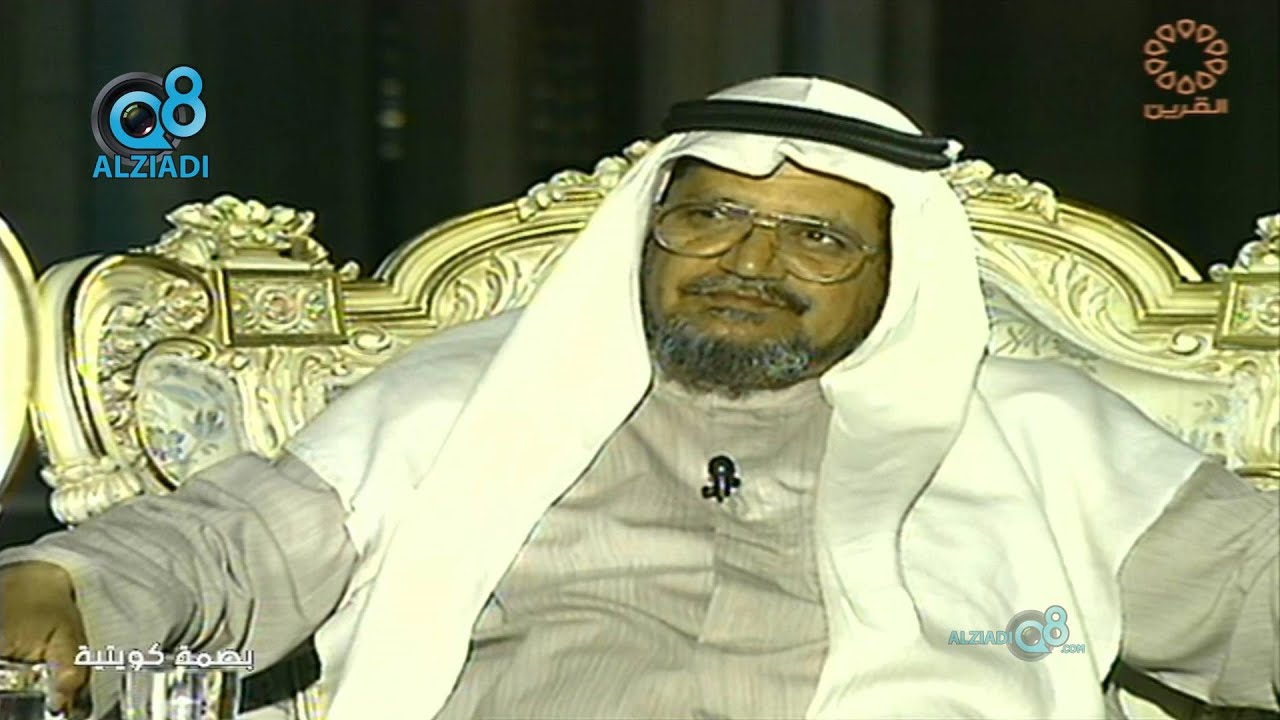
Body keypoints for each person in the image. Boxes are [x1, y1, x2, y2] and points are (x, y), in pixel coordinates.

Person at [1, 76, 1276, 720]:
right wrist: (63, 587)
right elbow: (222, 548)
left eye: (817, 239)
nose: (750, 263)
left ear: (896, 276)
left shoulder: (1040, 435)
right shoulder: (464, 399)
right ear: (649, 230)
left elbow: (1246, 591)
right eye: (710, 217)